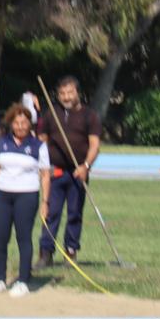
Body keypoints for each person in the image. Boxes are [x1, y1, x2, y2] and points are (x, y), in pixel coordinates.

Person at [0, 104, 50, 297]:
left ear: (30, 124)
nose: (20, 126)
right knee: (0, 238)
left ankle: (23, 281)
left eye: (24, 122)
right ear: (11, 124)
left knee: (24, 238)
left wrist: (45, 202)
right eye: (16, 122)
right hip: (3, 195)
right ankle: (0, 279)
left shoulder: (38, 146)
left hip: (27, 195)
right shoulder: (2, 143)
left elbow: (45, 175)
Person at [34, 76, 101, 268]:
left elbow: (95, 145)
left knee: (74, 214)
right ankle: (45, 253)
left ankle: (71, 252)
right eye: (62, 93)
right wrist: (43, 165)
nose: (66, 97)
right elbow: (42, 140)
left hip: (78, 172)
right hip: (55, 172)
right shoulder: (51, 113)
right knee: (51, 213)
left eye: (70, 92)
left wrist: (85, 166)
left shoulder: (89, 115)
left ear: (77, 93)